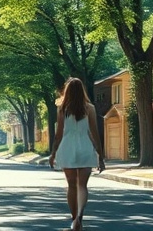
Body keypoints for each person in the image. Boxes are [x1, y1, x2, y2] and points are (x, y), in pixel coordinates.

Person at [49, 77, 105, 230]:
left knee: (71, 185)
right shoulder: (90, 108)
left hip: (67, 148)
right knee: (82, 186)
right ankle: (80, 215)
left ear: (67, 91)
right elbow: (94, 133)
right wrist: (100, 156)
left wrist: (53, 153)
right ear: (82, 91)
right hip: (85, 148)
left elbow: (58, 134)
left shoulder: (62, 109)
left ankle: (74, 219)